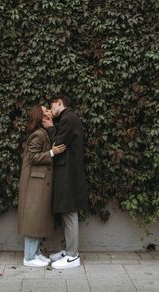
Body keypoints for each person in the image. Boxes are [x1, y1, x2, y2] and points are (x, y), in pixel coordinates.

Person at [42, 94, 88, 269]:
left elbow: (57, 145)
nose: (50, 109)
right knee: (66, 211)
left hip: (68, 174)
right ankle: (68, 249)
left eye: (51, 106)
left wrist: (51, 127)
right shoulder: (67, 118)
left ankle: (72, 255)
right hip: (67, 173)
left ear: (59, 103)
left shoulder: (68, 118)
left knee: (69, 212)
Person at [18, 104, 66, 267]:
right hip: (34, 184)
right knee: (33, 220)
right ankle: (29, 258)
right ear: (40, 116)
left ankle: (36, 253)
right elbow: (32, 157)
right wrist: (52, 153)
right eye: (46, 110)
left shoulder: (42, 132)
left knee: (37, 220)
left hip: (38, 183)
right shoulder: (38, 135)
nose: (49, 111)